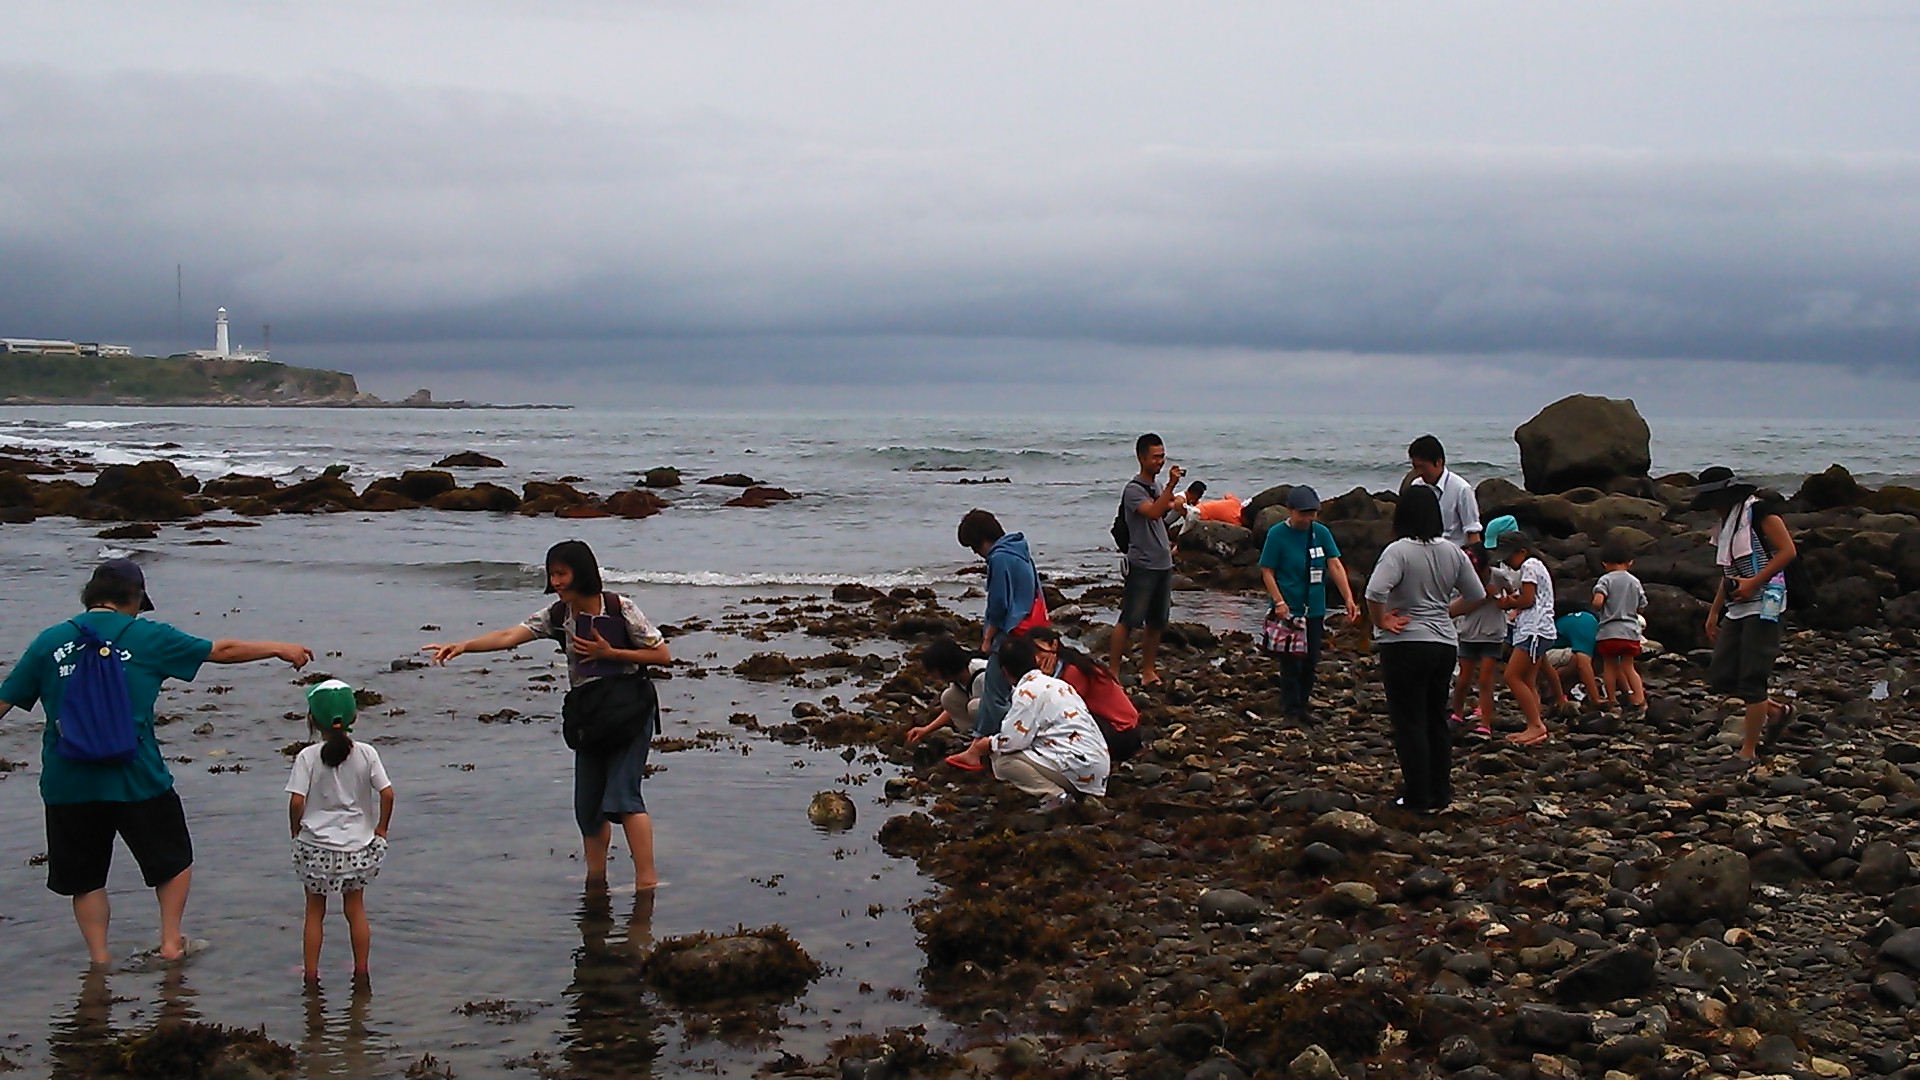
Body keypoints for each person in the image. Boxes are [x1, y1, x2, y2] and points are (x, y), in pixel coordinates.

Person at [0, 557, 314, 966]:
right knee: (173, 860)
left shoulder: (49, 641)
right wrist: (278, 647)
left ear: (90, 596)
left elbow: (4, 701)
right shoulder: (148, 636)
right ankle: (170, 942)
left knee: (86, 879)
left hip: (68, 783)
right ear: (133, 598)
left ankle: (99, 960)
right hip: (138, 777)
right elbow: (221, 650)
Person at [424, 540, 670, 891]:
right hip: (590, 715)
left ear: (581, 573)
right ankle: (596, 879)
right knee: (587, 807)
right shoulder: (558, 615)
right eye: (552, 574)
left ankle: (647, 881)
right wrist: (464, 646)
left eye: (561, 574)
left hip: (631, 708)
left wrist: (609, 652)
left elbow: (663, 655)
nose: (555, 581)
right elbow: (510, 636)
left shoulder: (620, 607)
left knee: (623, 796)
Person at [1364, 486, 1485, 813]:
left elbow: (1375, 591)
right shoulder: (1452, 551)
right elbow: (1476, 595)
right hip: (1443, 643)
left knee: (1409, 721)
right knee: (1435, 718)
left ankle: (1416, 796)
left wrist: (1382, 621)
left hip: (1405, 643)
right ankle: (1439, 793)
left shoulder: (1399, 550)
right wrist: (1443, 613)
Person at [287, 679, 394, 984]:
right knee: (355, 908)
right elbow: (387, 793)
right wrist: (382, 828)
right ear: (354, 717)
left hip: (315, 846)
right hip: (357, 847)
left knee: (314, 912)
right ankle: (361, 970)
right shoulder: (367, 753)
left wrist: (296, 831)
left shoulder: (307, 757)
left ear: (312, 719)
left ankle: (310, 974)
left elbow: (297, 801)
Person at [1694, 467, 1798, 761]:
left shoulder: (1759, 512)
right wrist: (1714, 612)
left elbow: (1787, 550)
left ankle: (1748, 750)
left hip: (1766, 603)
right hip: (1738, 607)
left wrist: (1754, 582)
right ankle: (1776, 711)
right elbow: (1728, 572)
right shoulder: (1726, 523)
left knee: (1753, 679)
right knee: (1722, 676)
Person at [952, 635, 1111, 811]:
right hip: (1099, 768)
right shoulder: (1059, 684)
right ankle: (1073, 790)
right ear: (1034, 659)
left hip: (1078, 768)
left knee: (1002, 761)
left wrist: (987, 744)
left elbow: (1012, 741)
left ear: (1004, 671)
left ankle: (1055, 795)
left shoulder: (1026, 692)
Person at [944, 510, 1045, 770]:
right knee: (1024, 690)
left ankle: (986, 748)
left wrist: (988, 638)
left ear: (982, 539)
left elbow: (998, 604)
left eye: (974, 546)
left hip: (1012, 632)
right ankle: (991, 745)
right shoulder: (1019, 549)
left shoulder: (999, 558)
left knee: (995, 691)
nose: (976, 553)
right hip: (1031, 628)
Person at [1256, 485, 1359, 722]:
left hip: (1314, 608)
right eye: (1303, 512)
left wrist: (1348, 598)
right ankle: (1291, 710)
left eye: (1312, 512)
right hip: (1288, 609)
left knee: (1311, 660)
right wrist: (1278, 601)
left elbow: (1334, 564)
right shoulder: (1276, 534)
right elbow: (1267, 571)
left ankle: (1302, 706)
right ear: (1290, 510)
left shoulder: (1320, 532)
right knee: (1292, 662)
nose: (1308, 518)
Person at [1113, 433, 1183, 687]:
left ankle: (1148, 671)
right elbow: (1153, 512)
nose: (1160, 462)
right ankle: (1113, 671)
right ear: (1141, 457)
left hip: (1163, 562)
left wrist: (1178, 505)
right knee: (1129, 619)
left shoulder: (1154, 488)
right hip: (1142, 563)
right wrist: (1171, 487)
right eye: (1155, 457)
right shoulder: (1133, 490)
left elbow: (1162, 516)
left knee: (1156, 622)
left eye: (1162, 456)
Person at [1029, 627, 1142, 763]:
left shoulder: (1073, 672)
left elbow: (1057, 710)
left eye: (1040, 651)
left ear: (1054, 645)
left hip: (1122, 733)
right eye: (1032, 654)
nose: (1037, 658)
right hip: (1121, 728)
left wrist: (1045, 680)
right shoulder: (1068, 664)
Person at [1492, 530, 1555, 746]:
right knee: (1528, 680)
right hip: (1541, 628)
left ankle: (1536, 725)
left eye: (1509, 556)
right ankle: (1535, 726)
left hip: (1534, 630)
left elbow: (1528, 600)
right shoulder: (1538, 565)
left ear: (1522, 551)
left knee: (1512, 676)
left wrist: (1508, 603)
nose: (1507, 562)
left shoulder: (1529, 566)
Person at [1449, 543, 1504, 737]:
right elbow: (1457, 606)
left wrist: (1501, 599)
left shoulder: (1499, 577)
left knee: (1485, 680)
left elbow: (1514, 595)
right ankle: (1456, 714)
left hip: (1492, 634)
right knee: (1463, 679)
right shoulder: (1463, 580)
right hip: (1469, 633)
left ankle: (1486, 722)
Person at [1593, 541, 1649, 712]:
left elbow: (1598, 602)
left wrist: (1599, 605)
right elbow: (1642, 605)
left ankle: (1612, 699)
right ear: (1630, 561)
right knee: (1628, 666)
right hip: (1630, 632)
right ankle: (1639, 699)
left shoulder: (1605, 580)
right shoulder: (1635, 582)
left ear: (1604, 563)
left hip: (1609, 632)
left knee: (1609, 666)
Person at [1407, 434, 1483, 547]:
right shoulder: (1417, 486)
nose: (1418, 472)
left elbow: (1473, 532)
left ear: (1438, 462)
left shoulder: (1461, 489)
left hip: (1454, 552)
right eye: (1415, 467)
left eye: (1422, 467)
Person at [907, 638, 986, 744]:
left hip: (1009, 717)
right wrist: (926, 729)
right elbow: (951, 710)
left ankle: (985, 740)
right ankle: (974, 736)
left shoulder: (982, 676)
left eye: (932, 671)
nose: (931, 676)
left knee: (974, 706)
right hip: (989, 714)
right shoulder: (959, 677)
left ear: (946, 667)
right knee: (948, 697)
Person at [1542, 604, 1603, 711]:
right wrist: (1596, 699)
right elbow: (1583, 664)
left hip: (1546, 654)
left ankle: (1562, 691)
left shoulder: (1590, 620)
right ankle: (1551, 687)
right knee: (1578, 659)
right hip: (1541, 656)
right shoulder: (1588, 625)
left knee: (1589, 659)